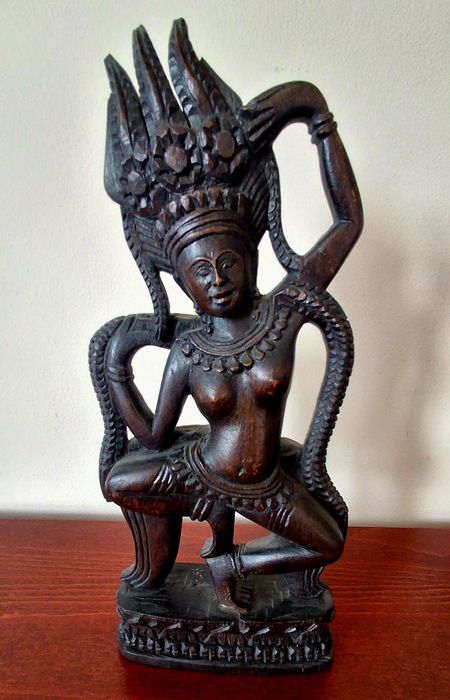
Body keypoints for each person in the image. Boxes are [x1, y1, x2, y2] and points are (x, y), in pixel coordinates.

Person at [100, 20, 363, 614]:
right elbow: (156, 436)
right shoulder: (189, 349)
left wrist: (316, 117)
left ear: (250, 256)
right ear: (182, 282)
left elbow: (348, 223)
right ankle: (177, 572)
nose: (216, 279)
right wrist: (117, 374)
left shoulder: (285, 312)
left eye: (226, 263)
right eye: (200, 271)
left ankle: (233, 563)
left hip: (265, 485)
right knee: (119, 481)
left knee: (330, 541)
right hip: (199, 471)